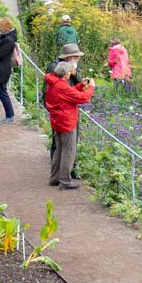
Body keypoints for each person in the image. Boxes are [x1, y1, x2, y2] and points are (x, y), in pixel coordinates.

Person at [43, 53, 93, 190]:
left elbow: (69, 93)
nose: (71, 74)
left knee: (59, 149)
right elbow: (83, 98)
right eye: (69, 72)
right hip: (67, 122)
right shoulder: (62, 86)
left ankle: (54, 178)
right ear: (65, 74)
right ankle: (65, 181)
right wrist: (91, 87)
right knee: (68, 151)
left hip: (57, 120)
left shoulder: (53, 82)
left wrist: (81, 85)